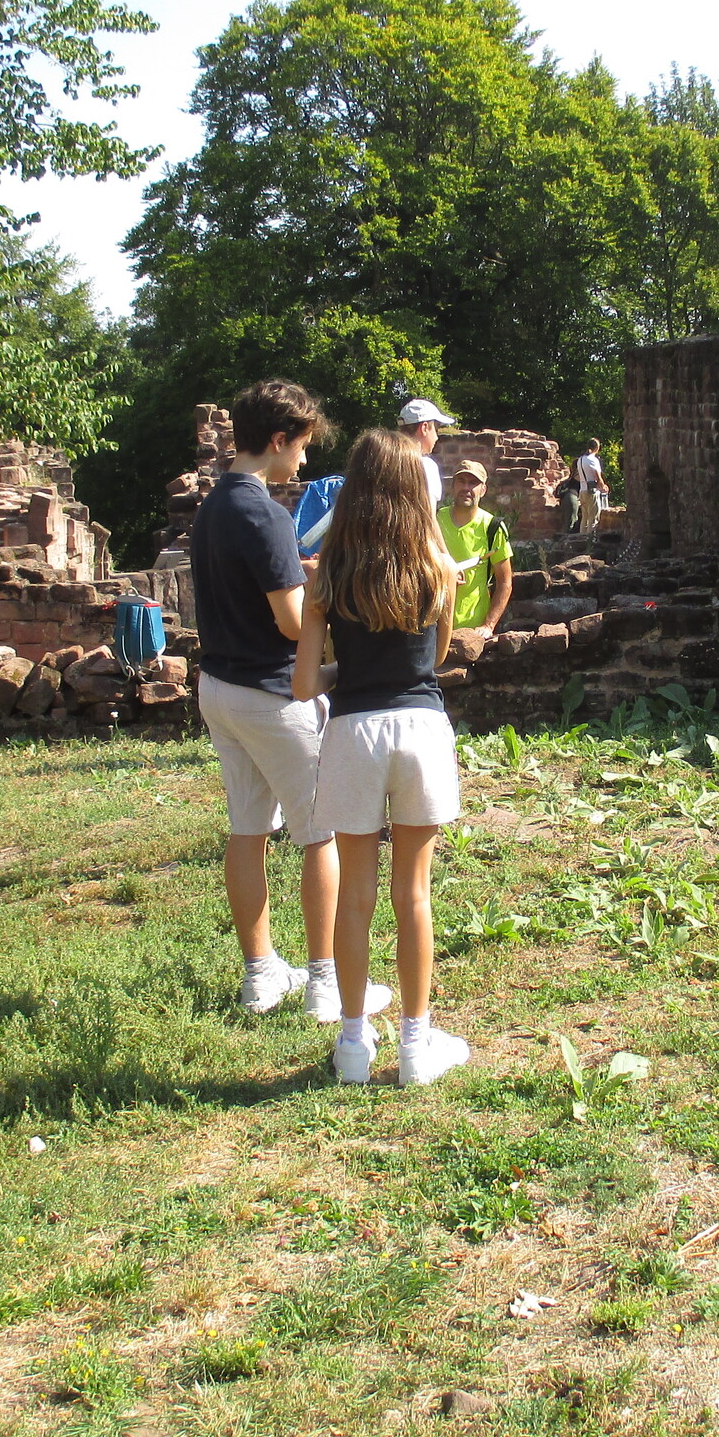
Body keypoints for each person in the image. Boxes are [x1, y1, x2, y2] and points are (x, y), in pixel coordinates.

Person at [188, 380, 388, 1022]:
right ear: (278, 440)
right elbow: (292, 623)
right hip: (272, 696)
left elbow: (248, 585)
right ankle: (326, 983)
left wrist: (296, 573)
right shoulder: (267, 514)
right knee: (320, 833)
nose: (303, 459)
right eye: (301, 446)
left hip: (219, 687)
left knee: (248, 830)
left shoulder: (214, 505)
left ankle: (261, 974)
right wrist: (328, 598)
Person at [292, 428, 469, 1087]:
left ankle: (352, 1045)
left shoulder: (328, 576)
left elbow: (304, 685)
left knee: (355, 897)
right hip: (421, 728)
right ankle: (417, 1046)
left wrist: (349, 673)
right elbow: (436, 656)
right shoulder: (435, 567)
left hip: (352, 735)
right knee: (413, 894)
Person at [438, 461, 513, 640]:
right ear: (452, 486)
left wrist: (489, 625)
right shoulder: (434, 519)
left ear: (483, 490)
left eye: (473, 483)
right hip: (433, 625)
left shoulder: (492, 527)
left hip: (472, 631)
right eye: (461, 481)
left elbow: (505, 582)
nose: (466, 488)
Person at [397, 397, 455, 505]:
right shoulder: (427, 466)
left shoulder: (386, 461)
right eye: (435, 429)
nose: (436, 437)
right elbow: (428, 512)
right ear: (424, 428)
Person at [572, 439, 607, 533]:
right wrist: (603, 486)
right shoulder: (593, 460)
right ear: (597, 447)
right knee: (593, 518)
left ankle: (581, 538)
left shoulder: (580, 460)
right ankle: (590, 540)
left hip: (582, 491)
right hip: (591, 491)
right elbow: (598, 477)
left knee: (584, 518)